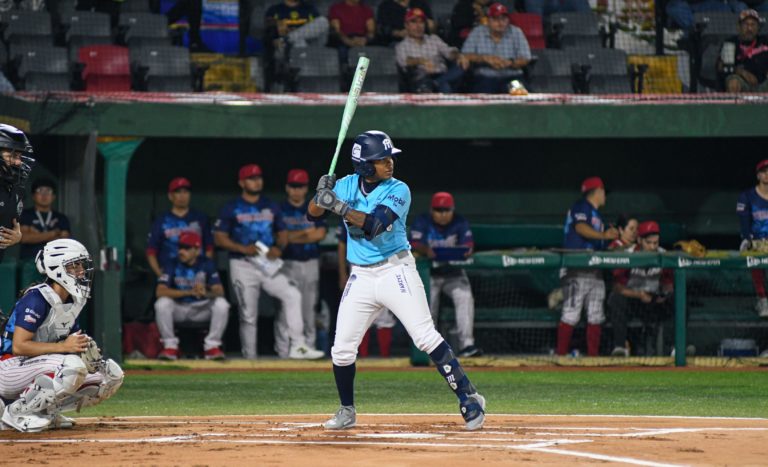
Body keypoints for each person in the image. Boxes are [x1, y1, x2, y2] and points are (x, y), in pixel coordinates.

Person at [307, 130, 486, 431]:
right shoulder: (346, 185)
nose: (389, 163)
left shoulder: (399, 189)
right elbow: (312, 215)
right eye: (382, 159)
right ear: (365, 165)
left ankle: (468, 397)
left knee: (425, 336)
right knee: (341, 350)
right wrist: (320, 193)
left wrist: (337, 205)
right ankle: (347, 410)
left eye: (389, 157)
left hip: (395, 270)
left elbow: (374, 225)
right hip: (361, 275)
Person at [0, 239, 124, 433]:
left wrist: (86, 353)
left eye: (81, 265)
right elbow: (19, 346)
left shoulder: (72, 301)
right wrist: (64, 347)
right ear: (56, 269)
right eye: (74, 266)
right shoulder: (37, 298)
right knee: (72, 367)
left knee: (109, 376)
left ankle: (45, 411)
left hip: (32, 366)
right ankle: (16, 413)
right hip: (8, 366)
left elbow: (70, 344)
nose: (81, 271)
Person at [214, 164, 324, 360]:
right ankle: (250, 358)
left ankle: (298, 346)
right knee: (248, 314)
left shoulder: (271, 206)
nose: (256, 181)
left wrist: (278, 248)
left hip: (266, 262)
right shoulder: (231, 207)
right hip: (242, 263)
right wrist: (241, 248)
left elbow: (282, 234)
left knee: (292, 295)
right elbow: (219, 238)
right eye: (251, 178)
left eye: (258, 178)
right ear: (242, 182)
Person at [410, 191, 482, 358]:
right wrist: (425, 250)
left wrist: (467, 250)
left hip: (453, 273)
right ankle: (429, 348)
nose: (443, 214)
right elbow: (414, 242)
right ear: (432, 210)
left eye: (446, 210)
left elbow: (468, 244)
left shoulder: (460, 222)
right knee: (428, 307)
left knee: (465, 297)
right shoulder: (422, 221)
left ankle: (467, 345)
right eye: (438, 210)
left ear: (452, 210)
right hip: (429, 274)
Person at [556, 176, 619, 357]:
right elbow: (580, 228)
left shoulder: (597, 215)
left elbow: (599, 242)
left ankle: (593, 359)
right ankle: (560, 356)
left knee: (596, 315)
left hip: (594, 269)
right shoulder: (581, 206)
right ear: (597, 191)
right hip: (576, 268)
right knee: (571, 314)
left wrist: (613, 242)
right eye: (604, 191)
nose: (605, 195)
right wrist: (605, 235)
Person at [273, 169, 328, 358]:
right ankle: (283, 351)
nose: (297, 190)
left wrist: (291, 237)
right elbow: (279, 238)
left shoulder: (314, 206)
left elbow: (319, 234)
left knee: (308, 309)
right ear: (287, 188)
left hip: (310, 262)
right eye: (293, 186)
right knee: (284, 309)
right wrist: (305, 234)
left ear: (306, 188)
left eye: (300, 186)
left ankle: (308, 348)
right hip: (286, 263)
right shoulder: (279, 209)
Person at [154, 231, 230, 361]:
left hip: (201, 309)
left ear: (197, 250)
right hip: (179, 308)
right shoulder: (171, 263)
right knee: (162, 303)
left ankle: (212, 346)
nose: (181, 251)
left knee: (222, 304)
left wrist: (206, 291)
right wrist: (189, 292)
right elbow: (159, 292)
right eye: (180, 247)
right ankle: (170, 346)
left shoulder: (207, 263)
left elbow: (220, 291)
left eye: (186, 248)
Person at [607, 221, 673, 357]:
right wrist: (639, 295)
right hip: (632, 300)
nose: (653, 247)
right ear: (639, 240)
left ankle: (675, 348)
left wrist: (664, 295)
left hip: (653, 301)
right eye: (648, 243)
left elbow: (668, 285)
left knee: (677, 300)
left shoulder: (664, 255)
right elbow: (617, 287)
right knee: (616, 299)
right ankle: (620, 347)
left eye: (655, 243)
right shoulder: (628, 254)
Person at [337, 222, 396, 358]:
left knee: (384, 317)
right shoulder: (349, 213)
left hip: (384, 265)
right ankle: (362, 358)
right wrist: (342, 274)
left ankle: (385, 358)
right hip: (358, 267)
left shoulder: (385, 211)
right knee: (358, 316)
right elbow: (342, 244)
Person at [146, 177, 214, 278]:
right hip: (170, 274)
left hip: (196, 275)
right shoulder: (161, 221)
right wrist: (160, 276)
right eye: (178, 192)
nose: (182, 196)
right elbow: (151, 251)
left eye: (185, 192)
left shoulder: (201, 218)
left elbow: (209, 247)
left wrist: (204, 272)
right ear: (170, 196)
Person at [460, 3, 532, 93]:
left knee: (520, 94)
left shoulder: (516, 32)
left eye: (503, 19)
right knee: (481, 95)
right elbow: (465, 55)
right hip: (485, 77)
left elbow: (526, 58)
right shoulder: (477, 32)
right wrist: (485, 59)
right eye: (495, 19)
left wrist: (509, 62)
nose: (500, 23)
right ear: (488, 20)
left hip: (512, 77)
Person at [396, 7, 468, 93]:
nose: (418, 26)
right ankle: (437, 84)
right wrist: (421, 61)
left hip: (442, 75)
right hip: (420, 79)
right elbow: (405, 61)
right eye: (414, 22)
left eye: (421, 22)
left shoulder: (433, 39)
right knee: (445, 86)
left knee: (461, 65)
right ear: (406, 25)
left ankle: (435, 83)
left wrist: (459, 56)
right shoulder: (402, 45)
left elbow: (448, 52)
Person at [737, 158, 768, 317]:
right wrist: (748, 240)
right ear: (758, 175)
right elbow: (744, 224)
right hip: (756, 242)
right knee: (752, 252)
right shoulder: (747, 196)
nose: (767, 174)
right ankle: (762, 299)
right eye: (764, 172)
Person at [0, 124, 33, 263]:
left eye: (19, 156)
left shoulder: (15, 188)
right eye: (13, 155)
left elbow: (12, 226)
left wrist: (17, 236)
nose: (18, 162)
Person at [18, 178, 71, 261]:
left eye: (48, 191)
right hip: (29, 261)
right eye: (40, 190)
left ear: (54, 196)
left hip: (56, 261)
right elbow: (23, 238)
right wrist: (54, 233)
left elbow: (64, 241)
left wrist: (36, 235)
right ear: (33, 196)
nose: (44, 195)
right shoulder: (25, 215)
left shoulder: (61, 218)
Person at [717, 9, 768, 93]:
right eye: (746, 24)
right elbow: (721, 67)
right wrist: (741, 72)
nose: (749, 28)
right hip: (743, 83)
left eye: (753, 25)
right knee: (733, 82)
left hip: (763, 84)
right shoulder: (730, 43)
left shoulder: (765, 42)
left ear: (758, 27)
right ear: (739, 27)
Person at [328, 0, 376, 66]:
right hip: (343, 39)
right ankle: (345, 70)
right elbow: (336, 31)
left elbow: (371, 31)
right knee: (342, 50)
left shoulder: (367, 9)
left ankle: (363, 72)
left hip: (362, 39)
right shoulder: (336, 8)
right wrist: (348, 41)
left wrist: (365, 39)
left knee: (369, 52)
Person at [524, 0, 591, 20]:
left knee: (579, 1)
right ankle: (538, 40)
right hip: (543, 5)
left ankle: (590, 36)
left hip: (562, 4)